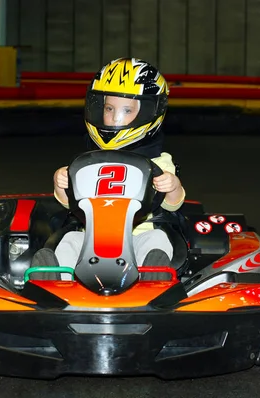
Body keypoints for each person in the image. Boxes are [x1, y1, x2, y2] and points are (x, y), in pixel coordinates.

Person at [52, 57, 185, 269]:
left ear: (148, 112)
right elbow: (69, 204)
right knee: (69, 241)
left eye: (127, 110)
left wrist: (173, 186)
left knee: (158, 240)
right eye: (109, 109)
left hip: (139, 235)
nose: (115, 119)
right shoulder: (87, 160)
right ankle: (56, 279)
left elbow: (173, 204)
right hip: (92, 239)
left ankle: (153, 275)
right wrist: (60, 184)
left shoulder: (159, 161)